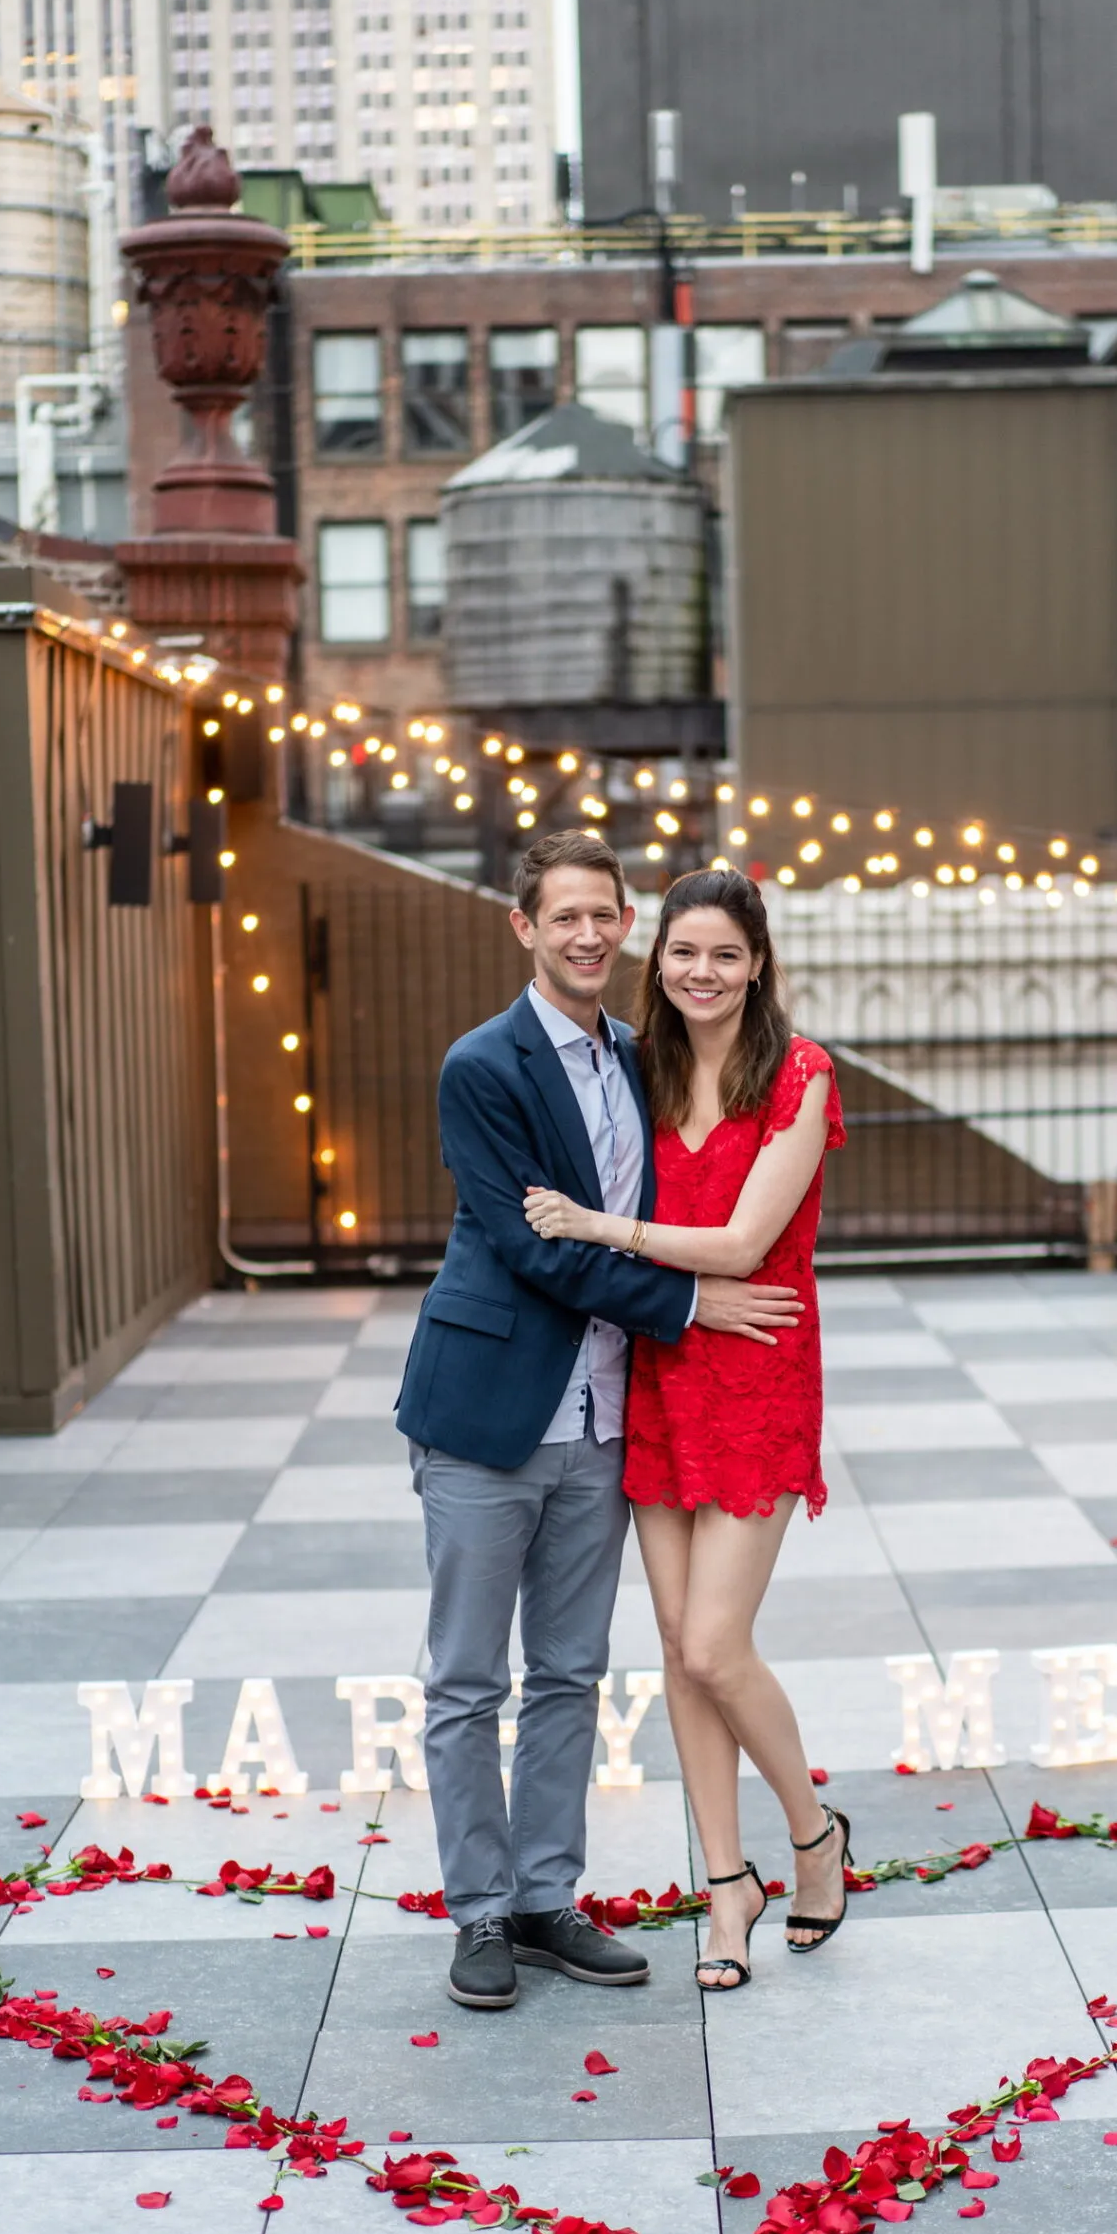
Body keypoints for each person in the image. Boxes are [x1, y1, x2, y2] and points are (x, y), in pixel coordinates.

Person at [396, 830, 806, 2011]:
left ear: (621, 922)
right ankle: (479, 1913)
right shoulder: (482, 1065)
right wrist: (690, 1297)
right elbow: (533, 1246)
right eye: (562, 916)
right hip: (488, 1412)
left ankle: (544, 1896)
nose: (586, 934)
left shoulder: (644, 1057)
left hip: (609, 1417)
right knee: (469, 1682)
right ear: (523, 928)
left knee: (571, 1673)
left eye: (602, 914)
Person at [522, 867, 851, 1992]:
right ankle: (725, 1886)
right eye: (681, 952)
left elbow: (748, 1243)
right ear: (653, 961)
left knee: (717, 1643)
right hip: (658, 1368)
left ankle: (813, 1836)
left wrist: (598, 1226)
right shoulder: (639, 1067)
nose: (700, 972)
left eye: (724, 953)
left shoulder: (800, 1077)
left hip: (755, 1371)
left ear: (757, 963)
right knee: (674, 1647)